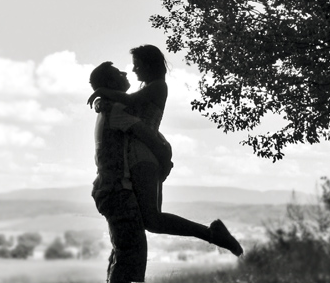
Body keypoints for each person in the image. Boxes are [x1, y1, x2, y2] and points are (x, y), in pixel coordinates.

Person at [89, 45, 243, 256]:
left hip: (142, 156)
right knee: (153, 221)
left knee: (152, 219)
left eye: (137, 65)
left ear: (149, 64)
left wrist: (101, 93)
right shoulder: (149, 87)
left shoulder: (158, 86)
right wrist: (102, 100)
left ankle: (211, 234)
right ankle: (211, 234)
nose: (133, 70)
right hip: (145, 156)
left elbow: (130, 101)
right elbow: (124, 103)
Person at [90, 61, 172, 283]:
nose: (127, 74)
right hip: (117, 190)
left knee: (120, 256)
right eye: (119, 74)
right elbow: (148, 134)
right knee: (126, 257)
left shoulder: (109, 106)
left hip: (111, 189)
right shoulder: (116, 109)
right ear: (111, 84)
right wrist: (166, 155)